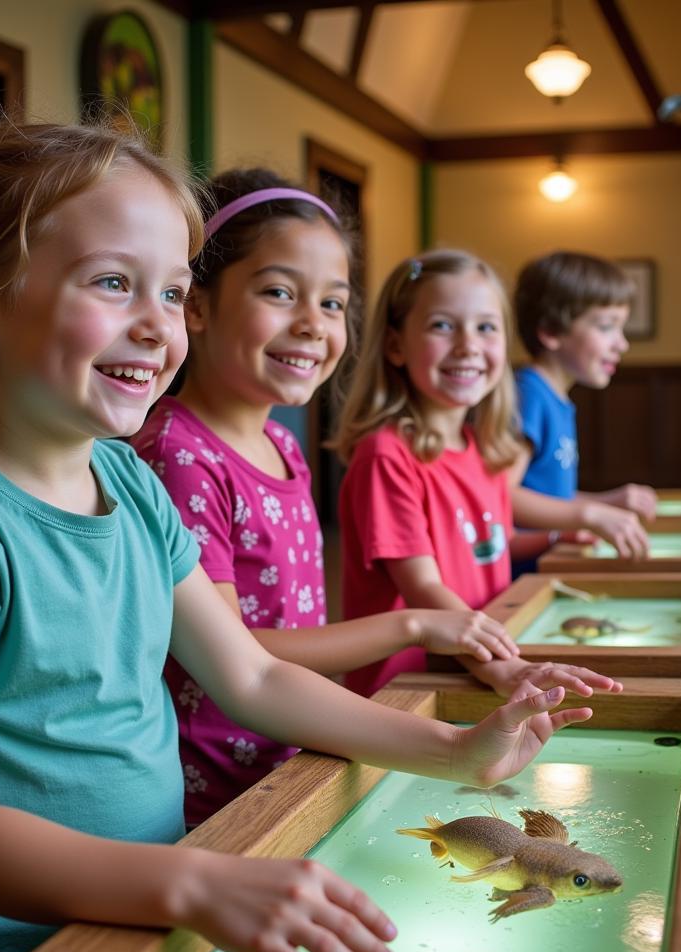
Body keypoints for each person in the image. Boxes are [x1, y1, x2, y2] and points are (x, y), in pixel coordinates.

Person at [0, 122, 598, 952]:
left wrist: (454, 751)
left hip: (134, 928)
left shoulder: (125, 479)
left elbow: (253, 672)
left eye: (172, 290)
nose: (158, 324)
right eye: (114, 283)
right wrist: (195, 882)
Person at [132, 168, 522, 827]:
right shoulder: (177, 454)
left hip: (295, 751)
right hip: (210, 789)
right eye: (280, 292)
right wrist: (414, 623)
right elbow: (239, 653)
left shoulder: (284, 447)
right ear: (195, 304)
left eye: (334, 303)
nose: (313, 325)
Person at [332, 249, 628, 698]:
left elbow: (488, 547)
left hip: (473, 671)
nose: (468, 345)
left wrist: (551, 539)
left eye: (486, 327)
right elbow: (424, 587)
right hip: (409, 690)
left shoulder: (481, 450)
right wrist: (500, 668)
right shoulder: (386, 456)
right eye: (442, 326)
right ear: (395, 345)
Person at [510, 251, 654, 573]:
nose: (622, 344)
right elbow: (500, 497)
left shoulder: (554, 397)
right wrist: (588, 514)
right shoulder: (529, 395)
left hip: (548, 568)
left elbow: (546, 495)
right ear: (550, 331)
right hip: (521, 583)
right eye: (606, 327)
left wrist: (606, 502)